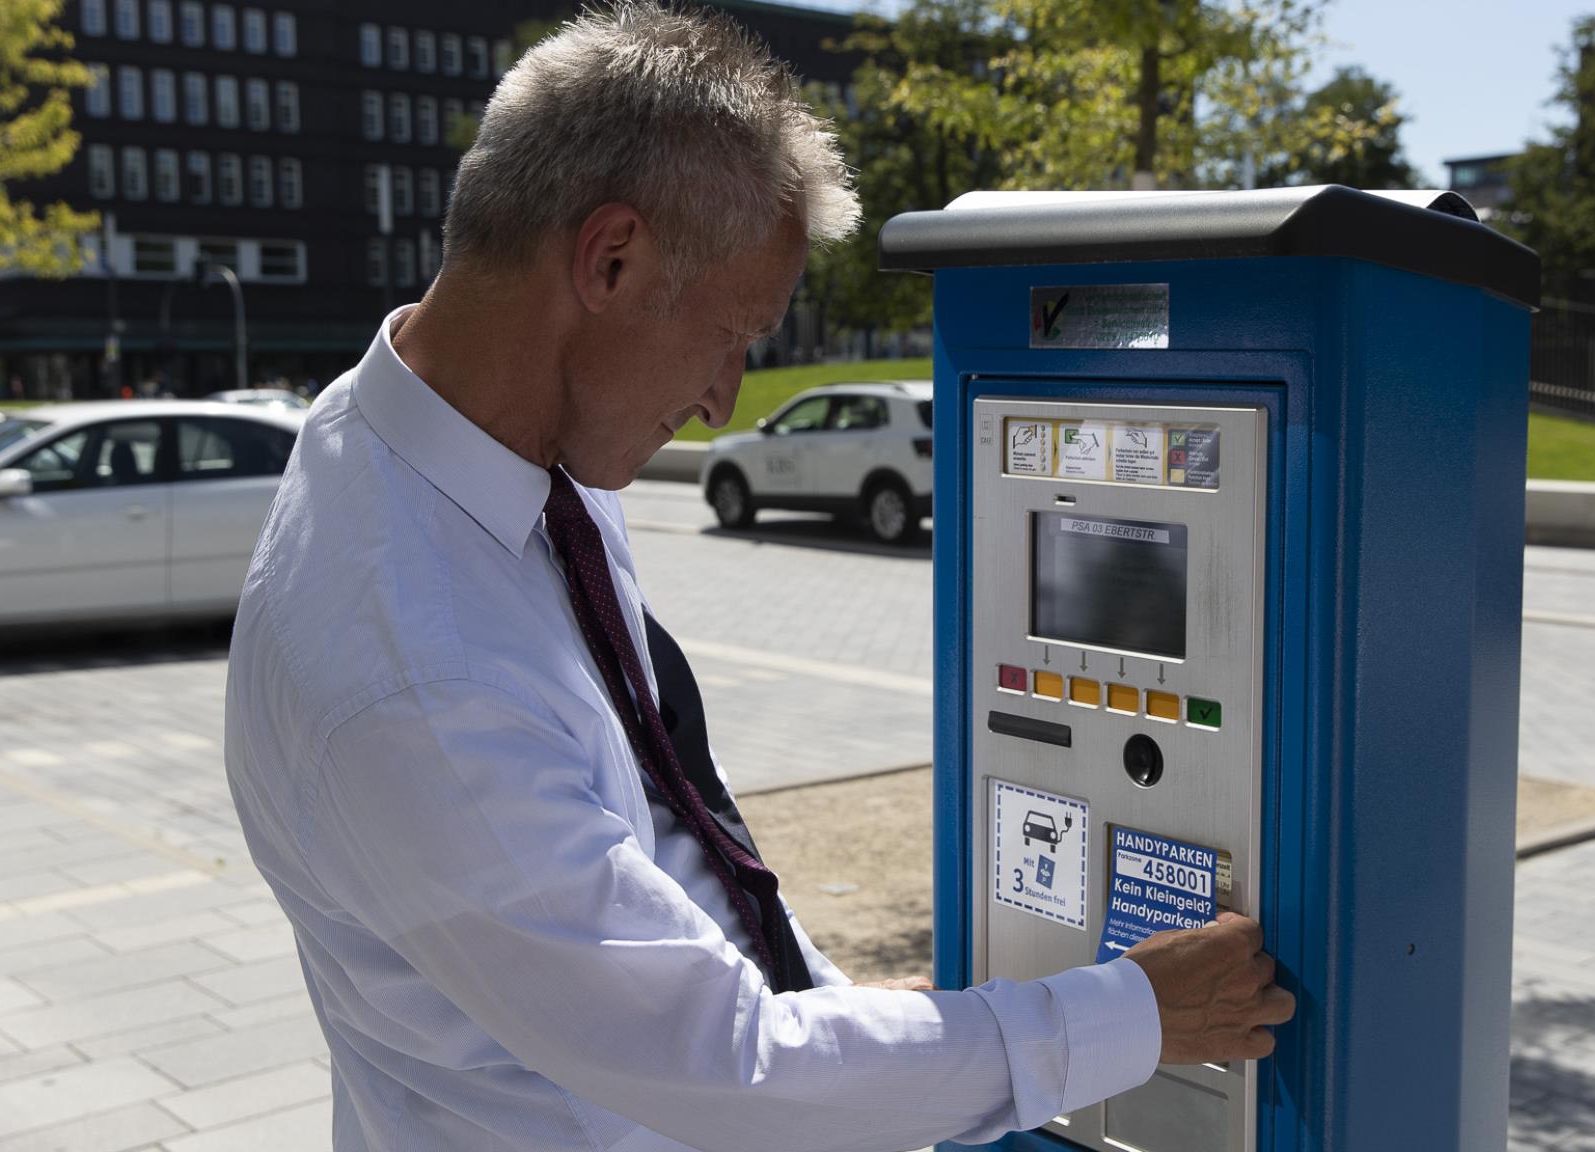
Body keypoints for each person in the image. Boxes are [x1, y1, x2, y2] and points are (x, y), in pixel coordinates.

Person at [222, 6, 1293, 1151]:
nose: (725, 400)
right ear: (610, 258)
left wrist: (850, 1010)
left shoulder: (486, 453)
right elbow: (721, 1064)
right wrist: (1128, 1016)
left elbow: (662, 824)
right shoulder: (414, 672)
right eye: (734, 334)